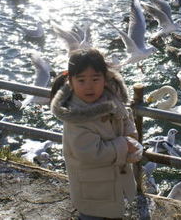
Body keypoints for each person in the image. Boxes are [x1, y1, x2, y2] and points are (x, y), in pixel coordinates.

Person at [50, 48, 141, 220]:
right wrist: (124, 145)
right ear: (70, 81)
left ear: (105, 79)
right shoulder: (75, 116)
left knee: (115, 210)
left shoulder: (111, 96)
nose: (89, 86)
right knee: (94, 215)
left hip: (112, 182)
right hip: (92, 189)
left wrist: (131, 135)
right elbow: (90, 153)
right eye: (81, 80)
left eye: (95, 79)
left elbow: (125, 116)